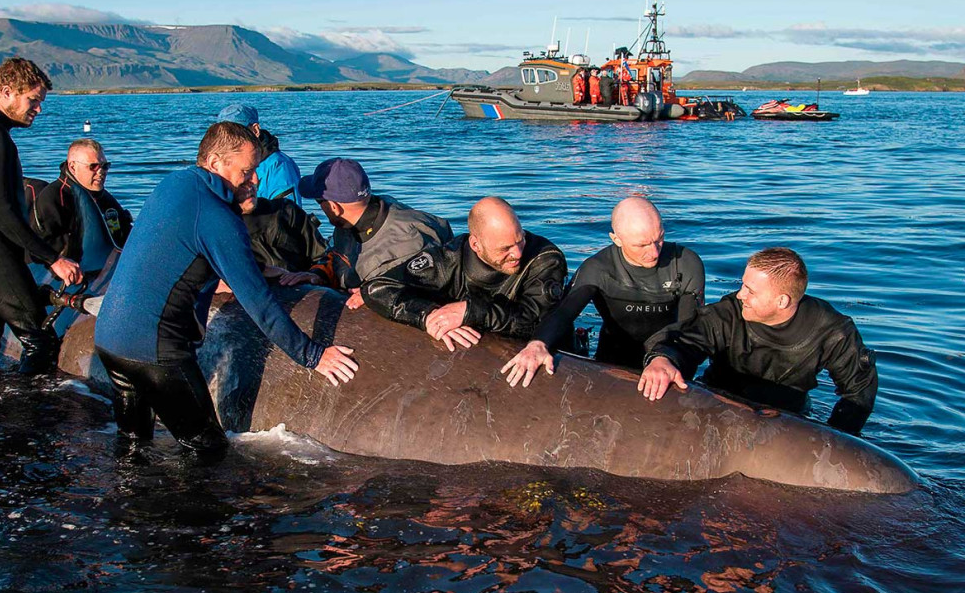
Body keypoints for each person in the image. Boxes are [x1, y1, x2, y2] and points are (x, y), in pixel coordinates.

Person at [94, 122, 359, 454]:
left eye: (257, 171)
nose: (256, 181)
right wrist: (313, 355)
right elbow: (258, 304)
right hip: (155, 352)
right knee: (208, 449)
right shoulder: (219, 216)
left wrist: (262, 268)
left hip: (109, 339)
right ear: (216, 163)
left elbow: (184, 247)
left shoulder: (175, 184)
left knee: (135, 444)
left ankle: (128, 503)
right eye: (246, 172)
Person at [638, 247, 877, 435]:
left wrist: (836, 436)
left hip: (789, 417)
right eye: (742, 285)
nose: (741, 295)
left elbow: (859, 389)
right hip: (719, 402)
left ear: (782, 301)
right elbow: (685, 337)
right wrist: (662, 359)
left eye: (750, 290)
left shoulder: (832, 330)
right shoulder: (730, 311)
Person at [0, 57, 83, 374]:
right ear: (7, 92)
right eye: (33, 100)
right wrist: (53, 259)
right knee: (42, 343)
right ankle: (27, 422)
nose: (38, 109)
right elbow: (3, 216)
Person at [501, 197, 704, 387]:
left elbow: (689, 326)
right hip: (614, 356)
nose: (654, 253)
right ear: (616, 239)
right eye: (641, 245)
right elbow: (562, 313)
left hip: (671, 353)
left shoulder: (685, 263)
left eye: (659, 239)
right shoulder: (598, 268)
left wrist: (666, 357)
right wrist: (538, 344)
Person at [362, 197, 566, 351]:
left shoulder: (545, 259)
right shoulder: (449, 259)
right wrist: (429, 315)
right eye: (505, 249)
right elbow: (377, 287)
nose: (518, 253)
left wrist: (471, 312)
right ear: (476, 245)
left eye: (520, 240)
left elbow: (540, 322)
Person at [280, 158, 452, 310]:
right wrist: (318, 275)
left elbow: (431, 286)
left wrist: (378, 293)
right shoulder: (353, 216)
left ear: (333, 207)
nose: (320, 207)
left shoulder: (408, 243)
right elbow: (336, 256)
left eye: (319, 202)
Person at [30, 138, 132, 264]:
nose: (101, 172)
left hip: (109, 265)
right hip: (71, 271)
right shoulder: (54, 198)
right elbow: (39, 249)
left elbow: (127, 234)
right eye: (93, 166)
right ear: (72, 167)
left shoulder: (105, 198)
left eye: (105, 166)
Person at [217, 104, 302, 205]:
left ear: (255, 130)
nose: (228, 140)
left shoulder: (279, 166)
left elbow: (288, 216)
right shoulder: (221, 164)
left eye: (237, 133)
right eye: (223, 133)